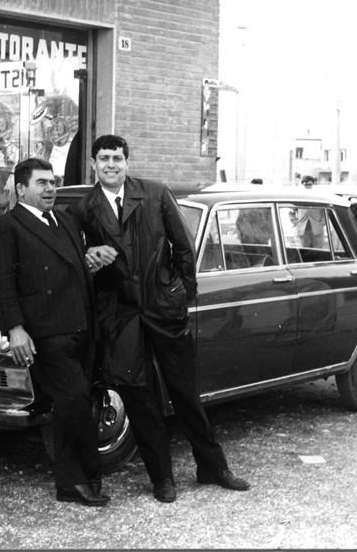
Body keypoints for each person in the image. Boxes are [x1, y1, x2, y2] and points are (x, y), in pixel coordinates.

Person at [74, 134, 249, 503]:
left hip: (164, 309)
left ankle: (213, 467)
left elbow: (183, 246)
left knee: (185, 391)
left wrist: (181, 295)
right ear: (93, 164)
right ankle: (161, 478)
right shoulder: (84, 208)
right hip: (120, 317)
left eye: (117, 158)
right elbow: (77, 260)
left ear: (127, 162)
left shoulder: (154, 194)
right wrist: (89, 254)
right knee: (141, 399)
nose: (110, 165)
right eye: (104, 158)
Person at [0, 158, 108, 507]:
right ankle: (80, 476)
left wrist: (93, 256)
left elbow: (75, 263)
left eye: (53, 182)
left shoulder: (65, 221)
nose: (50, 189)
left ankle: (77, 478)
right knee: (74, 398)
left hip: (81, 326)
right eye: (42, 183)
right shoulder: (5, 228)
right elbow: (0, 283)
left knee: (73, 403)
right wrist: (15, 329)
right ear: (21, 189)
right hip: (45, 333)